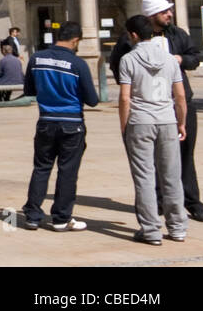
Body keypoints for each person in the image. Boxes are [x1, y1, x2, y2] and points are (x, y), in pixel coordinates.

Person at [118, 14, 189, 244]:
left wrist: (124, 126)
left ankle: (151, 230)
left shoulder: (128, 60)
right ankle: (178, 227)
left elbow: (125, 98)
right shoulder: (169, 59)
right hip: (167, 119)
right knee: (171, 176)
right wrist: (181, 121)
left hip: (140, 121)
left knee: (144, 177)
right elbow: (179, 96)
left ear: (134, 35)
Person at [21, 21, 99, 232]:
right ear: (75, 40)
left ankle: (32, 216)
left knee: (41, 167)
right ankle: (61, 218)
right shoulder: (78, 64)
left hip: (46, 121)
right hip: (71, 124)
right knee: (67, 171)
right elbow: (93, 100)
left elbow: (29, 90)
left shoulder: (36, 59)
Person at [141, 0, 203, 222]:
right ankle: (159, 201)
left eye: (169, 11)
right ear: (151, 16)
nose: (169, 14)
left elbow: (194, 58)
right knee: (154, 156)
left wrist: (179, 59)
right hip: (151, 105)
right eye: (163, 12)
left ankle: (193, 202)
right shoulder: (137, 36)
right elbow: (121, 64)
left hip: (181, 103)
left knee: (185, 153)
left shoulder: (177, 34)